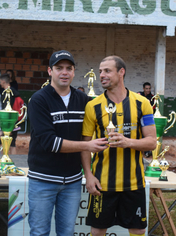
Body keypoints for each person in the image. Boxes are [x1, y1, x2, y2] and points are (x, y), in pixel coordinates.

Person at [27, 50, 108, 236]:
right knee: (39, 232)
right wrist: (88, 146)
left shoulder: (83, 100)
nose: (64, 72)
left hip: (72, 181)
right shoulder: (39, 100)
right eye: (59, 68)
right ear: (50, 71)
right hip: (43, 180)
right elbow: (50, 143)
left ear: (73, 72)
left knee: (67, 233)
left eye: (69, 68)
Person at [81, 56, 157, 236]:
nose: (102, 75)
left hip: (134, 182)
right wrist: (89, 175)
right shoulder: (93, 106)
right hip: (102, 182)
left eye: (107, 71)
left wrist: (128, 142)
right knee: (98, 230)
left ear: (121, 72)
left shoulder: (142, 103)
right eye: (100, 71)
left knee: (138, 230)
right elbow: (85, 145)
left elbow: (152, 142)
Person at [0, 73, 20, 155]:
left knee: (3, 141)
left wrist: (7, 125)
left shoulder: (7, 93)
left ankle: (2, 161)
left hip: (9, 121)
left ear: (4, 81)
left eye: (0, 81)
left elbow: (6, 109)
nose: (0, 83)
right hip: (15, 119)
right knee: (12, 143)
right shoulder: (14, 91)